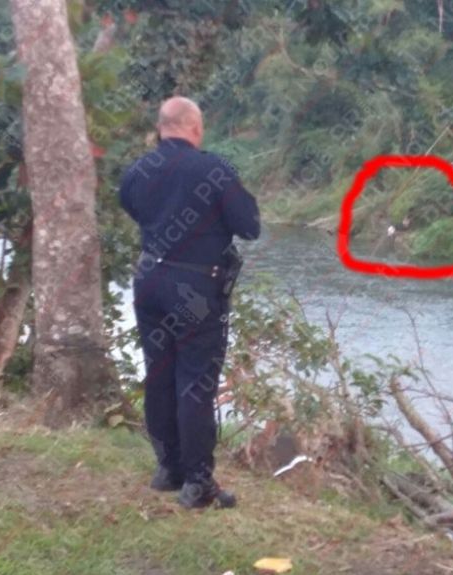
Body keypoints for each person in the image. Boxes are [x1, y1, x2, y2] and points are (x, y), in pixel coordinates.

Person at [119, 97, 260, 509]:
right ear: (195, 129)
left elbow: (131, 206)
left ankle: (168, 469)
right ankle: (198, 483)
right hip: (195, 287)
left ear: (162, 127)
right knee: (195, 381)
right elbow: (249, 225)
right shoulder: (213, 169)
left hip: (149, 280)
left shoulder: (138, 170)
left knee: (159, 373)